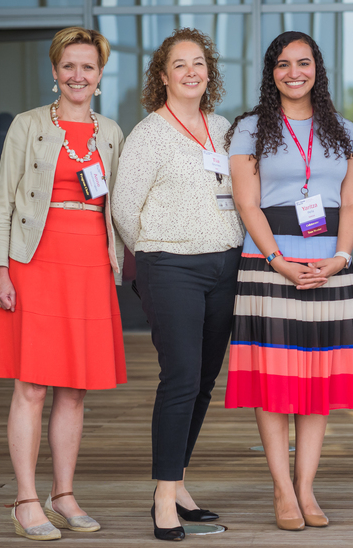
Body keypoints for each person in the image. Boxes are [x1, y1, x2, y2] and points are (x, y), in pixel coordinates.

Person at [223, 30, 353, 531]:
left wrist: (342, 257)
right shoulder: (250, 129)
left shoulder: (344, 130)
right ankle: (282, 491)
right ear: (271, 73)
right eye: (283, 64)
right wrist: (277, 259)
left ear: (317, 69)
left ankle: (307, 489)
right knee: (275, 384)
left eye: (303, 63)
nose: (294, 73)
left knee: (317, 384)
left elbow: (352, 202)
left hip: (329, 264)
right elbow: (247, 202)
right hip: (270, 264)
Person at [0, 27, 126, 541]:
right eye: (69, 66)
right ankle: (25, 500)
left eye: (88, 67)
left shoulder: (111, 132)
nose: (78, 76)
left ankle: (62, 495)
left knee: (75, 389)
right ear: (54, 72)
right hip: (35, 262)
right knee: (32, 386)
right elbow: (2, 204)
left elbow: (120, 209)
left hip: (89, 265)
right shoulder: (27, 126)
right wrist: (0, 268)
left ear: (100, 75)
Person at [111, 27, 244, 542]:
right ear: (162, 77)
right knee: (181, 377)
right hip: (171, 267)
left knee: (206, 379)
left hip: (224, 265)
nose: (191, 72)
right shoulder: (149, 133)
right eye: (179, 65)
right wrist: (153, 254)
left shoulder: (222, 127)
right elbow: (123, 208)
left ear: (208, 72)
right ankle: (163, 498)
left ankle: (179, 482)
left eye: (198, 63)